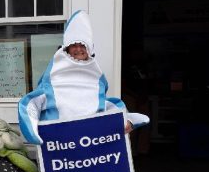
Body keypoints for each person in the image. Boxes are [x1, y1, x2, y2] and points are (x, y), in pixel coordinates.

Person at [18, 10, 149, 145]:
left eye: (82, 45)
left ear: (90, 48)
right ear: (66, 48)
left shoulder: (96, 78)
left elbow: (105, 104)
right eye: (74, 45)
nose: (78, 49)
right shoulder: (53, 78)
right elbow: (31, 104)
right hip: (57, 146)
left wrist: (125, 120)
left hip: (89, 147)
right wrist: (33, 131)